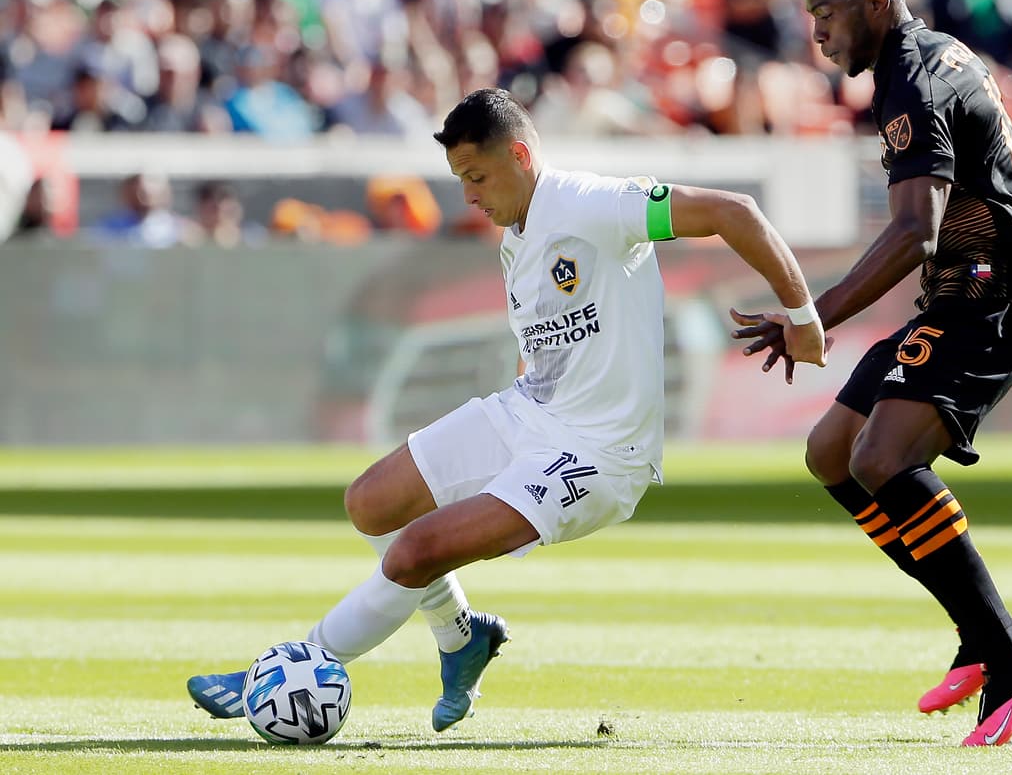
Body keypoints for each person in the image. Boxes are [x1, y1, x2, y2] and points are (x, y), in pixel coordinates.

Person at [187, 87, 829, 732]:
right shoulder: (515, 236)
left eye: (477, 177)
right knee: (371, 504)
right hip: (528, 415)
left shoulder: (594, 204)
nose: (469, 196)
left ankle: (280, 676)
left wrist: (803, 317)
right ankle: (461, 638)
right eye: (460, 180)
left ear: (520, 156)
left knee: (415, 550)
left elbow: (732, 210)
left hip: (599, 454)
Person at [732, 0, 1012, 747]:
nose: (817, 29)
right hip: (960, 291)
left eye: (828, 11)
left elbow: (918, 230)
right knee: (832, 453)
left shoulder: (913, 77)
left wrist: (813, 316)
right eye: (810, 14)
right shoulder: (924, 61)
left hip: (994, 297)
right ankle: (981, 636)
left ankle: (1011, 654)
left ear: (877, 2)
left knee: (881, 458)